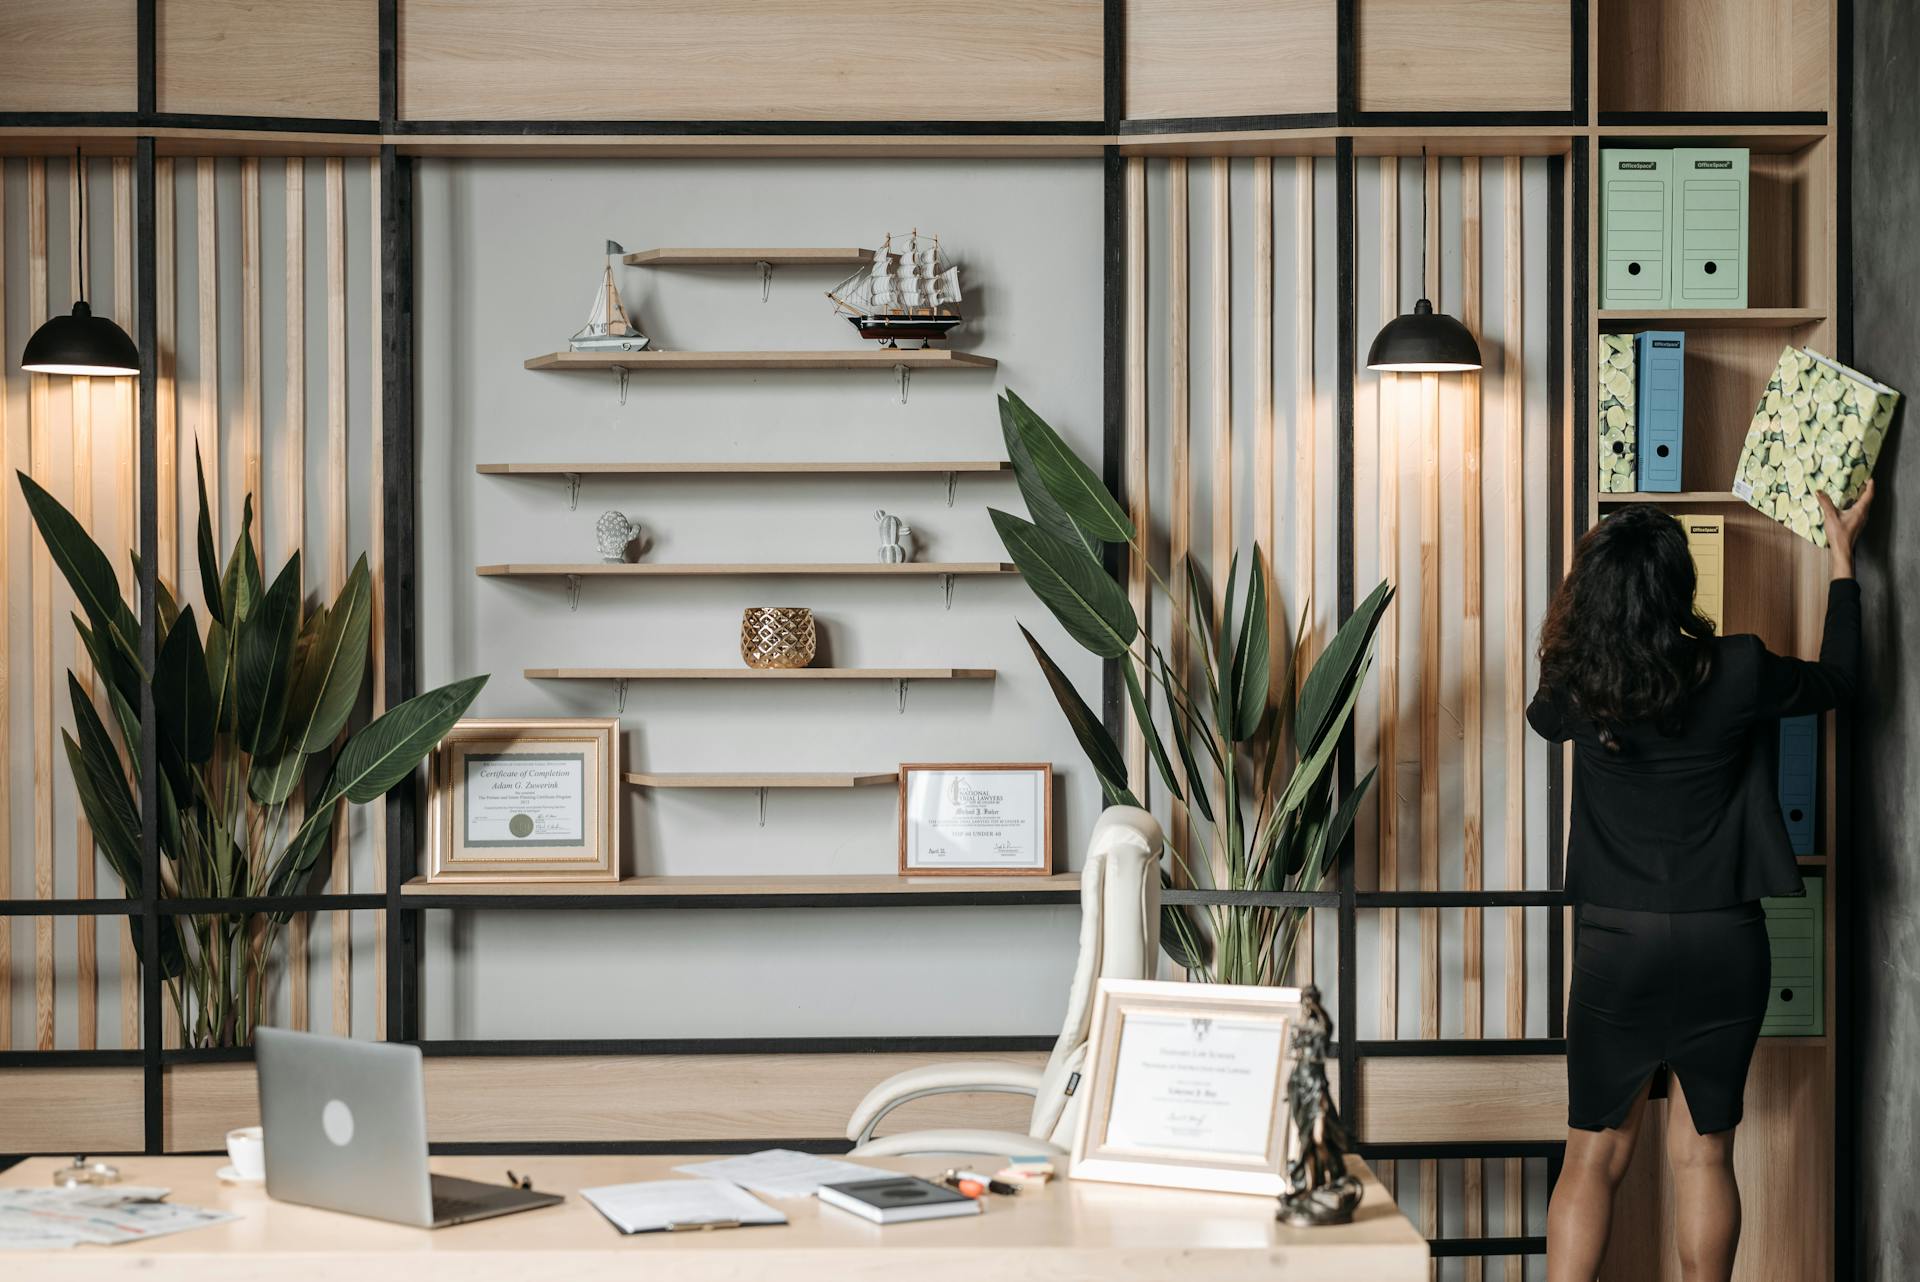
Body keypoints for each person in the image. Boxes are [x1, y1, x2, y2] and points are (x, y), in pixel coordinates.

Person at [1529, 484, 1871, 1282]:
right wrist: (1843, 560)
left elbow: (1547, 697)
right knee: (1705, 1152)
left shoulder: (1577, 689)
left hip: (1620, 946)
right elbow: (1842, 684)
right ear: (1680, 586)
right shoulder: (1740, 668)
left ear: (1597, 589)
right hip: (1727, 940)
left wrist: (1583, 575)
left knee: (1595, 1155)